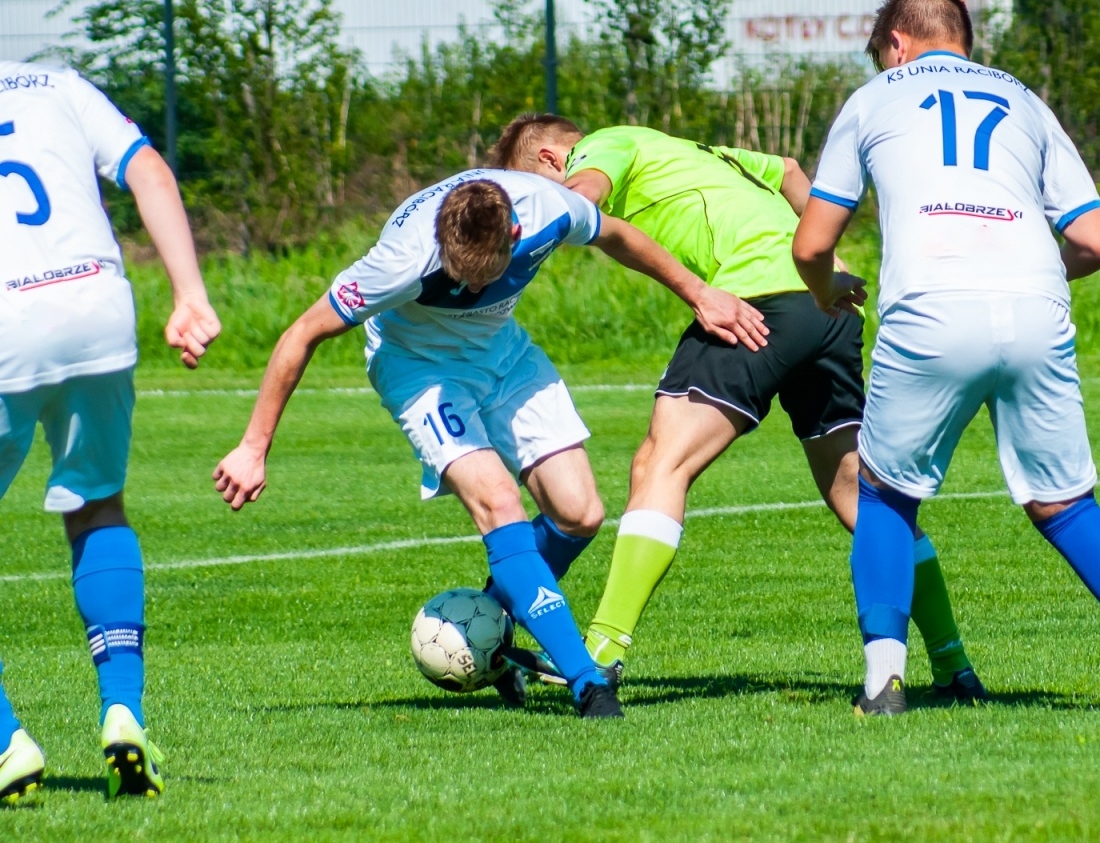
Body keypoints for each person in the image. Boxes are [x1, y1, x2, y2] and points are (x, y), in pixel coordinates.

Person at [792, 0, 1100, 717]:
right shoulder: (1024, 99)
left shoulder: (876, 97)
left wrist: (827, 289)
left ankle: (883, 681)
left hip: (930, 306)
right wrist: (1042, 276)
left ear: (896, 45)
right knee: (1066, 504)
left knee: (886, 498)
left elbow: (812, 242)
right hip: (1036, 306)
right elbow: (1098, 240)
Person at [210, 169, 767, 719]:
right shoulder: (401, 261)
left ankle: (493, 630)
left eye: (485, 275)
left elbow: (617, 234)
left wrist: (698, 292)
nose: (472, 288)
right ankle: (587, 683)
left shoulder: (550, 210)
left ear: (516, 237)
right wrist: (252, 448)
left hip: (504, 355)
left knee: (580, 513)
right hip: (420, 369)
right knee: (499, 502)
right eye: (461, 274)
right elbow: (300, 334)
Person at [494, 115, 987, 702]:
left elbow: (584, 197)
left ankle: (601, 651)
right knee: (862, 498)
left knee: (660, 465)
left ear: (551, 159)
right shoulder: (689, 147)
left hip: (759, 301)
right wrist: (824, 265)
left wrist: (504, 236)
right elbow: (789, 172)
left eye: (534, 184)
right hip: (826, 309)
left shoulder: (602, 146)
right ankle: (955, 667)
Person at [0, 60, 221, 801]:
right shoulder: (51, 82)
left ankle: (6, 742)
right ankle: (123, 711)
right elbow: (148, 170)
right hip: (96, 306)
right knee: (97, 504)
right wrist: (189, 294)